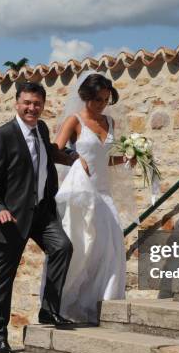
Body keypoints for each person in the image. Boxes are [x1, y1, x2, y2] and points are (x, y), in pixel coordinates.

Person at [0, 82, 76, 353]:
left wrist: (72, 157)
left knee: (62, 247)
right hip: (9, 219)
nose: (32, 108)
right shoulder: (2, 135)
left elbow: (45, 157)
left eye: (37, 103)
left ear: (42, 105)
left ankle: (49, 311)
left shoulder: (42, 129)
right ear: (17, 103)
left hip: (41, 212)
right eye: (27, 103)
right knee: (2, 279)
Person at [53, 72, 132, 323]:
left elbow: (103, 159)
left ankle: (105, 304)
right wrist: (75, 158)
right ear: (85, 97)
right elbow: (55, 151)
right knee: (83, 248)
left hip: (104, 193)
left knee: (111, 248)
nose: (102, 105)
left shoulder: (110, 122)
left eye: (106, 100)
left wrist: (126, 159)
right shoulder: (74, 121)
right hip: (82, 193)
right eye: (97, 99)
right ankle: (69, 306)